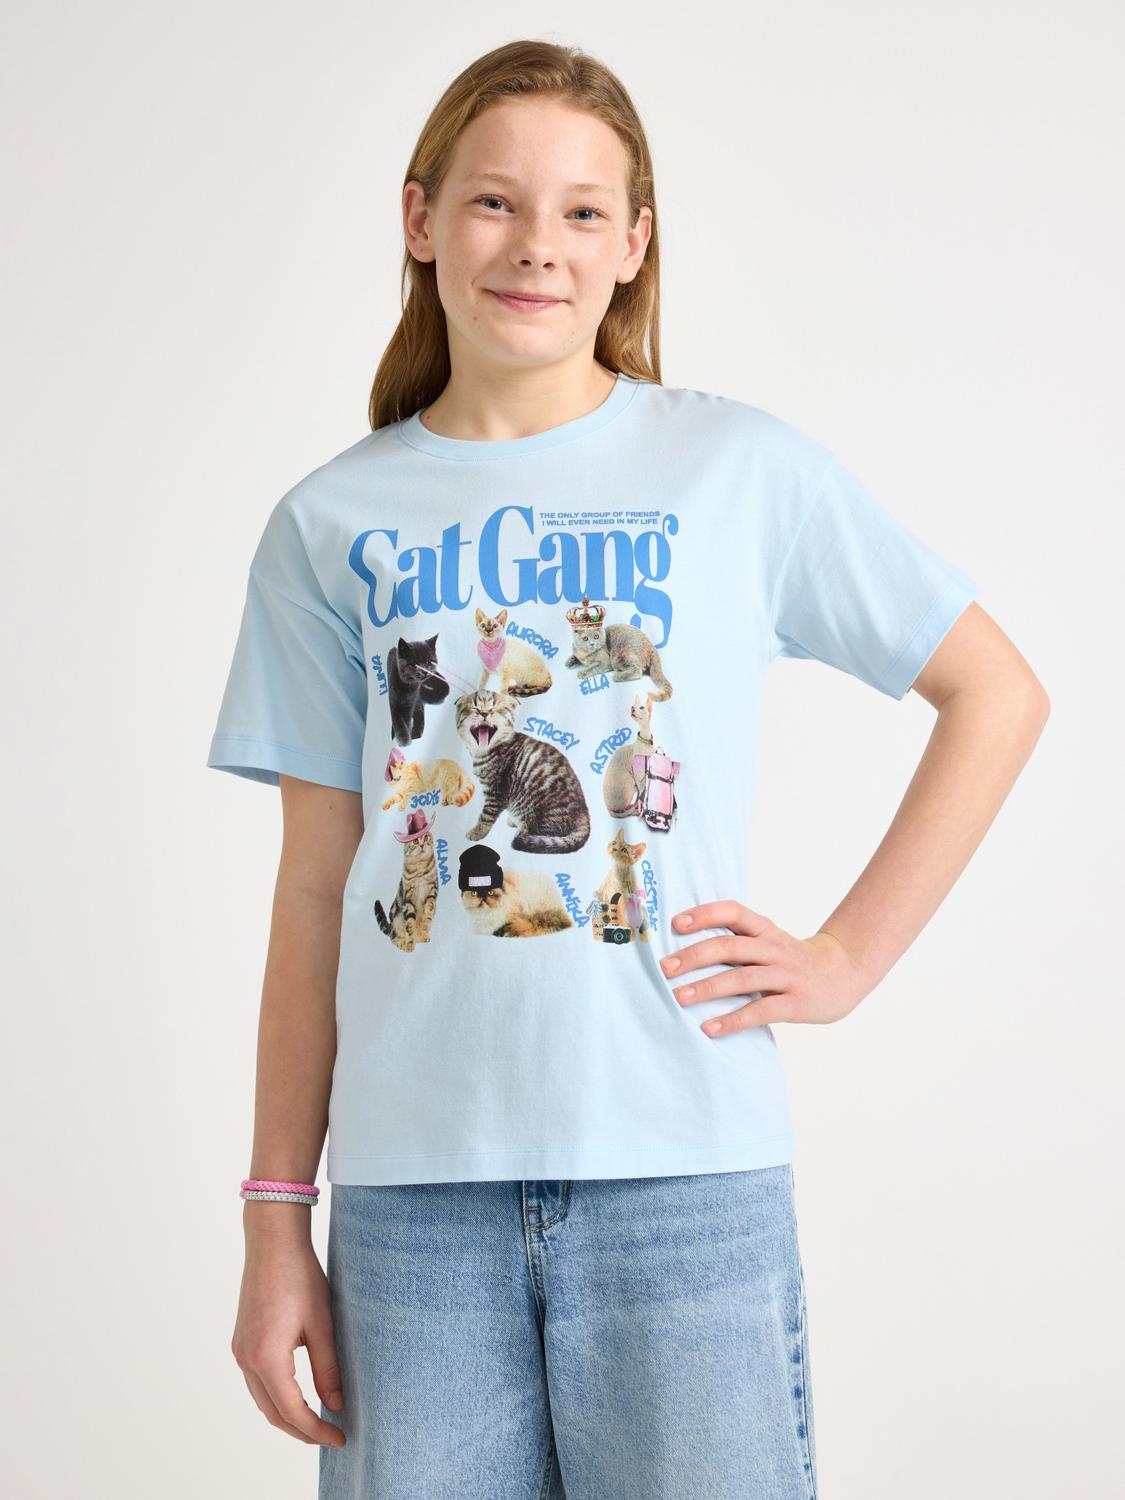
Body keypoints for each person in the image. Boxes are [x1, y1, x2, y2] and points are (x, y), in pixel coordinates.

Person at [208, 38, 1049, 1500]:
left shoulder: (738, 472)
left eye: (583, 210)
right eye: (494, 201)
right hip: (413, 1210)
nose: (537, 243)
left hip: (684, 1180)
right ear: (420, 219)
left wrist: (848, 956)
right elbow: (312, 887)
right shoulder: (327, 523)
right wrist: (276, 1213)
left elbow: (996, 691)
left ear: (633, 244)